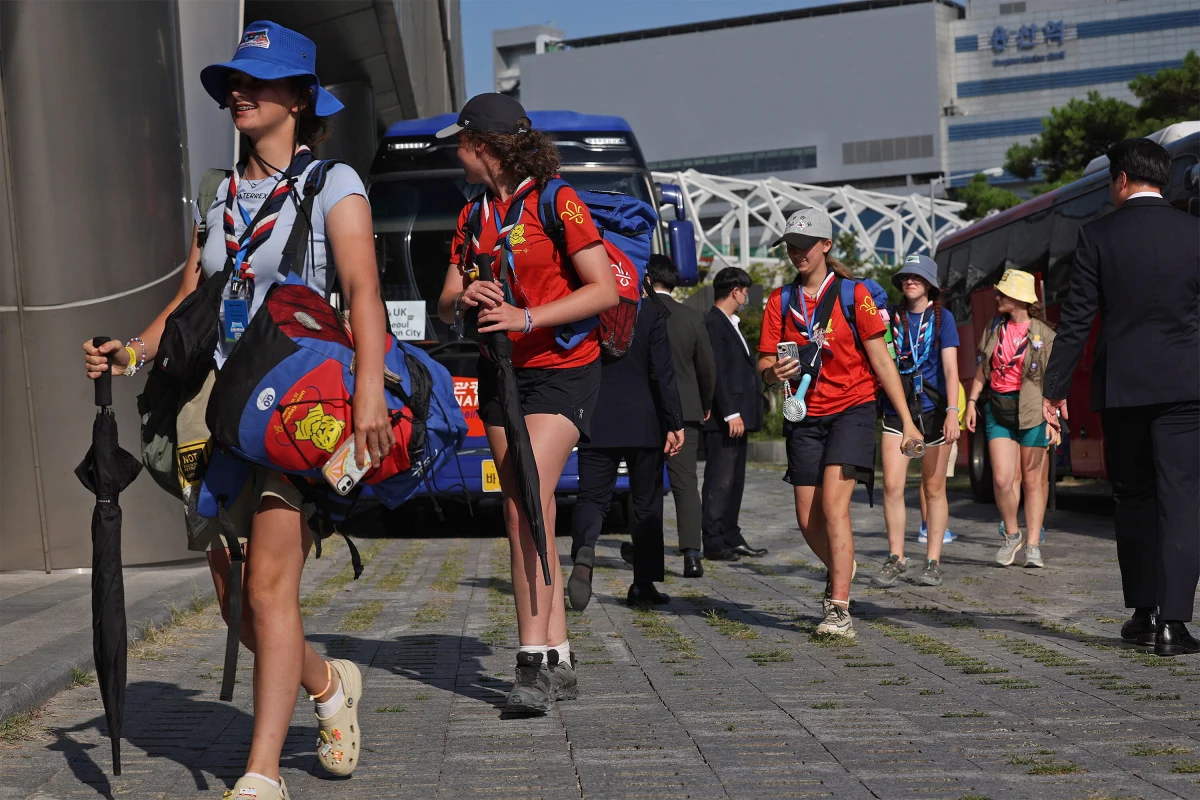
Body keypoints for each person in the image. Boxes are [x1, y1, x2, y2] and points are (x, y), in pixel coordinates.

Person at [83, 22, 382, 799]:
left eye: (258, 82)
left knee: (268, 592)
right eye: (232, 84)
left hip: (301, 407)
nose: (239, 94)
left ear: (302, 98)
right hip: (217, 412)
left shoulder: (335, 186)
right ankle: (328, 686)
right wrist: (132, 352)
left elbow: (363, 296)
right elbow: (191, 299)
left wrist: (372, 398)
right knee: (234, 607)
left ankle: (260, 773)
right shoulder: (221, 194)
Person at [436, 93, 618, 713]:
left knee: (529, 497)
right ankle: (560, 657)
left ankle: (532, 662)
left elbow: (605, 290)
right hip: (501, 375)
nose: (454, 156)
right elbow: (444, 300)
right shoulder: (471, 215)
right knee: (518, 506)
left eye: (458, 144)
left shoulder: (555, 199)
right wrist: (464, 298)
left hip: (565, 371)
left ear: (482, 147)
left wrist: (527, 314)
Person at [1042, 138, 1199, 657]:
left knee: (1133, 498)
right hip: (1185, 387)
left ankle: (1145, 613)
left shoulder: (1096, 236)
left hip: (1123, 389)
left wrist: (1055, 388)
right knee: (1181, 500)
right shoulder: (1194, 233)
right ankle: (1176, 624)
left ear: (1123, 180)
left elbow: (1077, 320)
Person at [758, 208, 921, 638]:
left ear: (826, 246)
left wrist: (907, 422)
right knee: (808, 519)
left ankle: (839, 608)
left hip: (853, 408)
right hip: (804, 413)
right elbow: (763, 359)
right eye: (791, 247)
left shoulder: (856, 294)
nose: (797, 254)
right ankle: (843, 564)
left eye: (805, 246)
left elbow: (881, 360)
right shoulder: (779, 301)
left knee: (833, 507)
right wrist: (771, 373)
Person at [567, 295, 685, 610]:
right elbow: (662, 372)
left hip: (596, 417)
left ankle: (584, 553)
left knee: (591, 498)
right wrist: (674, 421)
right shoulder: (648, 311)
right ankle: (643, 585)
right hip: (644, 423)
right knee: (647, 504)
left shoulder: (585, 303)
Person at [873, 255, 961, 588]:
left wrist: (954, 411)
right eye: (907, 277)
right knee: (892, 487)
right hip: (897, 411)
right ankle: (896, 557)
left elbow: (952, 369)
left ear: (930, 284)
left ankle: (933, 562)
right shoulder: (890, 317)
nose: (911, 281)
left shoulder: (943, 318)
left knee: (934, 489)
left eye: (918, 277)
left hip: (935, 410)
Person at [964, 269, 1056, 569]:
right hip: (998, 409)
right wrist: (972, 401)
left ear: (1018, 298)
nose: (997, 297)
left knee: (1032, 482)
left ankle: (1033, 545)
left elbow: (1053, 380)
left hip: (1031, 412)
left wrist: (1053, 415)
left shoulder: (1044, 334)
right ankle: (1012, 534)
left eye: (1003, 293)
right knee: (1003, 479)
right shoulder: (993, 327)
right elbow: (982, 368)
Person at [650, 255, 716, 578]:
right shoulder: (693, 317)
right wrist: (704, 403)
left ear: (647, 279)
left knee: (645, 483)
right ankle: (692, 555)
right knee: (686, 483)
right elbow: (707, 368)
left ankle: (646, 551)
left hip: (648, 411)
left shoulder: (639, 314)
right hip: (687, 410)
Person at [703, 268, 768, 561]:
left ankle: (731, 534)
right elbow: (715, 372)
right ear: (736, 291)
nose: (746, 297)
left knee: (735, 479)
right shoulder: (713, 323)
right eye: (745, 291)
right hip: (725, 419)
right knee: (720, 479)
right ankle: (714, 540)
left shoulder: (731, 323)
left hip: (739, 417)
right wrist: (730, 413)